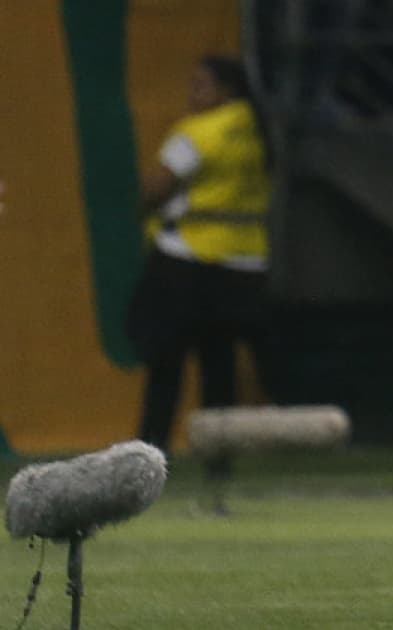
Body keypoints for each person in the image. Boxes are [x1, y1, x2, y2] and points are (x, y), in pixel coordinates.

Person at [127, 56, 273, 456]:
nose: (193, 93)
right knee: (219, 369)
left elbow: (157, 187)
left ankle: (148, 456)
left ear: (227, 90)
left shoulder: (198, 132)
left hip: (186, 262)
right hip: (242, 267)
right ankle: (218, 464)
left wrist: (142, 210)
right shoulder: (256, 129)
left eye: (201, 85)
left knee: (165, 367)